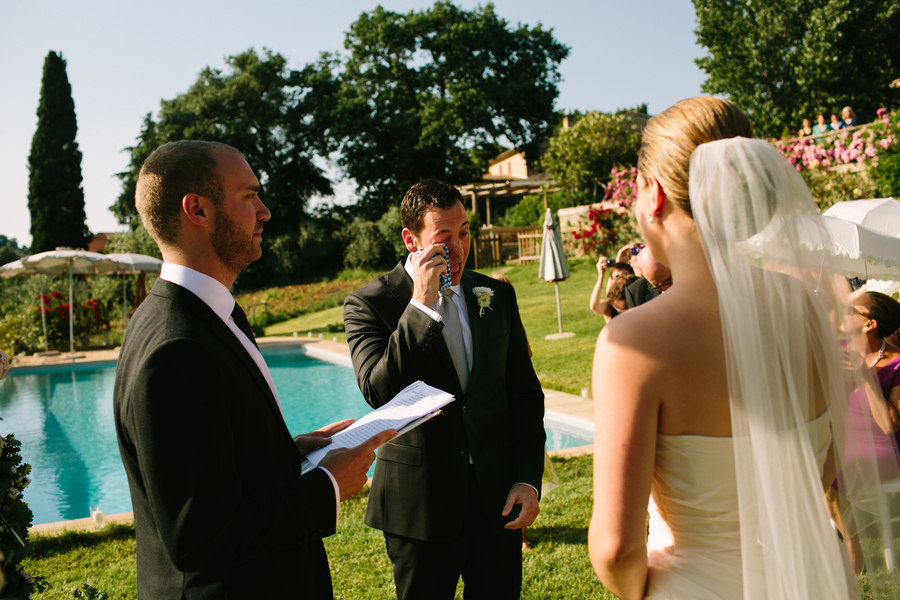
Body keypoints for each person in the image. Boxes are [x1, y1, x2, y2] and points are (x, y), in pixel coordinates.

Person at [587, 96, 898, 599]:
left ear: (655, 195)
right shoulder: (805, 308)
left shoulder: (634, 340)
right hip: (814, 580)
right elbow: (822, 468)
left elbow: (615, 549)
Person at [114, 140, 393, 599]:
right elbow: (199, 535)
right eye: (249, 196)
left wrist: (292, 453)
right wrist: (327, 486)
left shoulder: (197, 316)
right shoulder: (176, 346)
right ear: (197, 210)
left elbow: (210, 467)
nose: (264, 212)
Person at [343, 179, 545, 599]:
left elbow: (524, 396)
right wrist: (419, 305)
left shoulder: (495, 294)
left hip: (497, 504)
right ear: (410, 239)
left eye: (465, 232)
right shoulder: (369, 304)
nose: (458, 247)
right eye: (443, 237)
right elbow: (378, 391)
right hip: (420, 510)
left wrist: (527, 480)